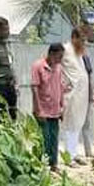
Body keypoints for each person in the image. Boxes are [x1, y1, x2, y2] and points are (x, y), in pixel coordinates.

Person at [31, 43, 66, 172]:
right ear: (51, 54)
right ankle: (41, 165)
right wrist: (38, 109)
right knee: (43, 138)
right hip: (43, 110)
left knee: (54, 139)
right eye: (59, 56)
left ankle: (53, 164)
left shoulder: (59, 68)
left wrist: (62, 106)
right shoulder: (38, 66)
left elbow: (61, 88)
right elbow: (34, 88)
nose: (60, 60)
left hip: (55, 110)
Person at [61, 27, 90, 165]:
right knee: (69, 124)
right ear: (74, 38)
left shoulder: (80, 53)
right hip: (70, 94)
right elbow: (54, 65)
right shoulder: (65, 49)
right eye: (81, 40)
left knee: (78, 123)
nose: (84, 43)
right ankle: (68, 156)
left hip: (82, 94)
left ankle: (74, 153)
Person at [81, 46, 94, 159]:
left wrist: (92, 95)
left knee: (87, 124)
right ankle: (71, 153)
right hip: (74, 97)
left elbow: (90, 77)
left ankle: (88, 151)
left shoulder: (85, 58)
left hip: (85, 96)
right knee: (73, 126)